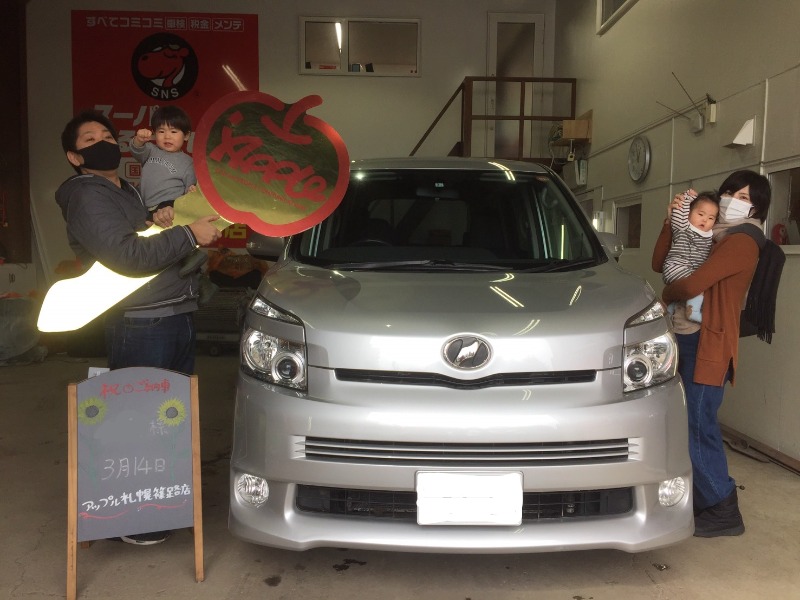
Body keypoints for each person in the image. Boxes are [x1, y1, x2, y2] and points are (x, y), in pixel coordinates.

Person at [58, 109, 222, 544]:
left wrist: (169, 219)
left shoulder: (126, 189)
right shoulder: (86, 195)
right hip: (142, 322)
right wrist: (189, 235)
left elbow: (147, 237)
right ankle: (134, 519)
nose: (104, 142)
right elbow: (128, 256)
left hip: (172, 311)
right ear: (75, 157)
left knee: (168, 421)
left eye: (107, 134)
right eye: (90, 139)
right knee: (137, 425)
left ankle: (162, 504)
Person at [652, 170, 771, 538]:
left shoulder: (742, 240)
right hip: (691, 338)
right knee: (688, 421)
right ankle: (706, 499)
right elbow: (661, 262)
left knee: (699, 424)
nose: (733, 198)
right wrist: (673, 223)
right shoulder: (712, 234)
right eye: (730, 191)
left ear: (756, 208)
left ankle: (723, 508)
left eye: (744, 196)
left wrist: (666, 295)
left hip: (710, 343)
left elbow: (691, 283)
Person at [130, 105, 207, 277]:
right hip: (147, 206)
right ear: (154, 134)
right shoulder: (151, 151)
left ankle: (192, 255)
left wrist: (192, 191)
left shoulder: (188, 162)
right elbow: (136, 149)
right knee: (153, 239)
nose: (167, 136)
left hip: (170, 204)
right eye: (161, 131)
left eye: (173, 131)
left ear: (186, 135)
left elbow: (190, 188)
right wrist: (139, 139)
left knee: (172, 235)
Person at [661, 190, 719, 322]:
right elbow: (679, 210)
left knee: (689, 288)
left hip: (687, 270)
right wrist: (688, 196)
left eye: (711, 218)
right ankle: (694, 312)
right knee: (697, 285)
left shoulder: (709, 236)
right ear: (688, 214)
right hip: (676, 267)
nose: (705, 219)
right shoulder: (683, 227)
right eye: (700, 214)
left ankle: (671, 308)